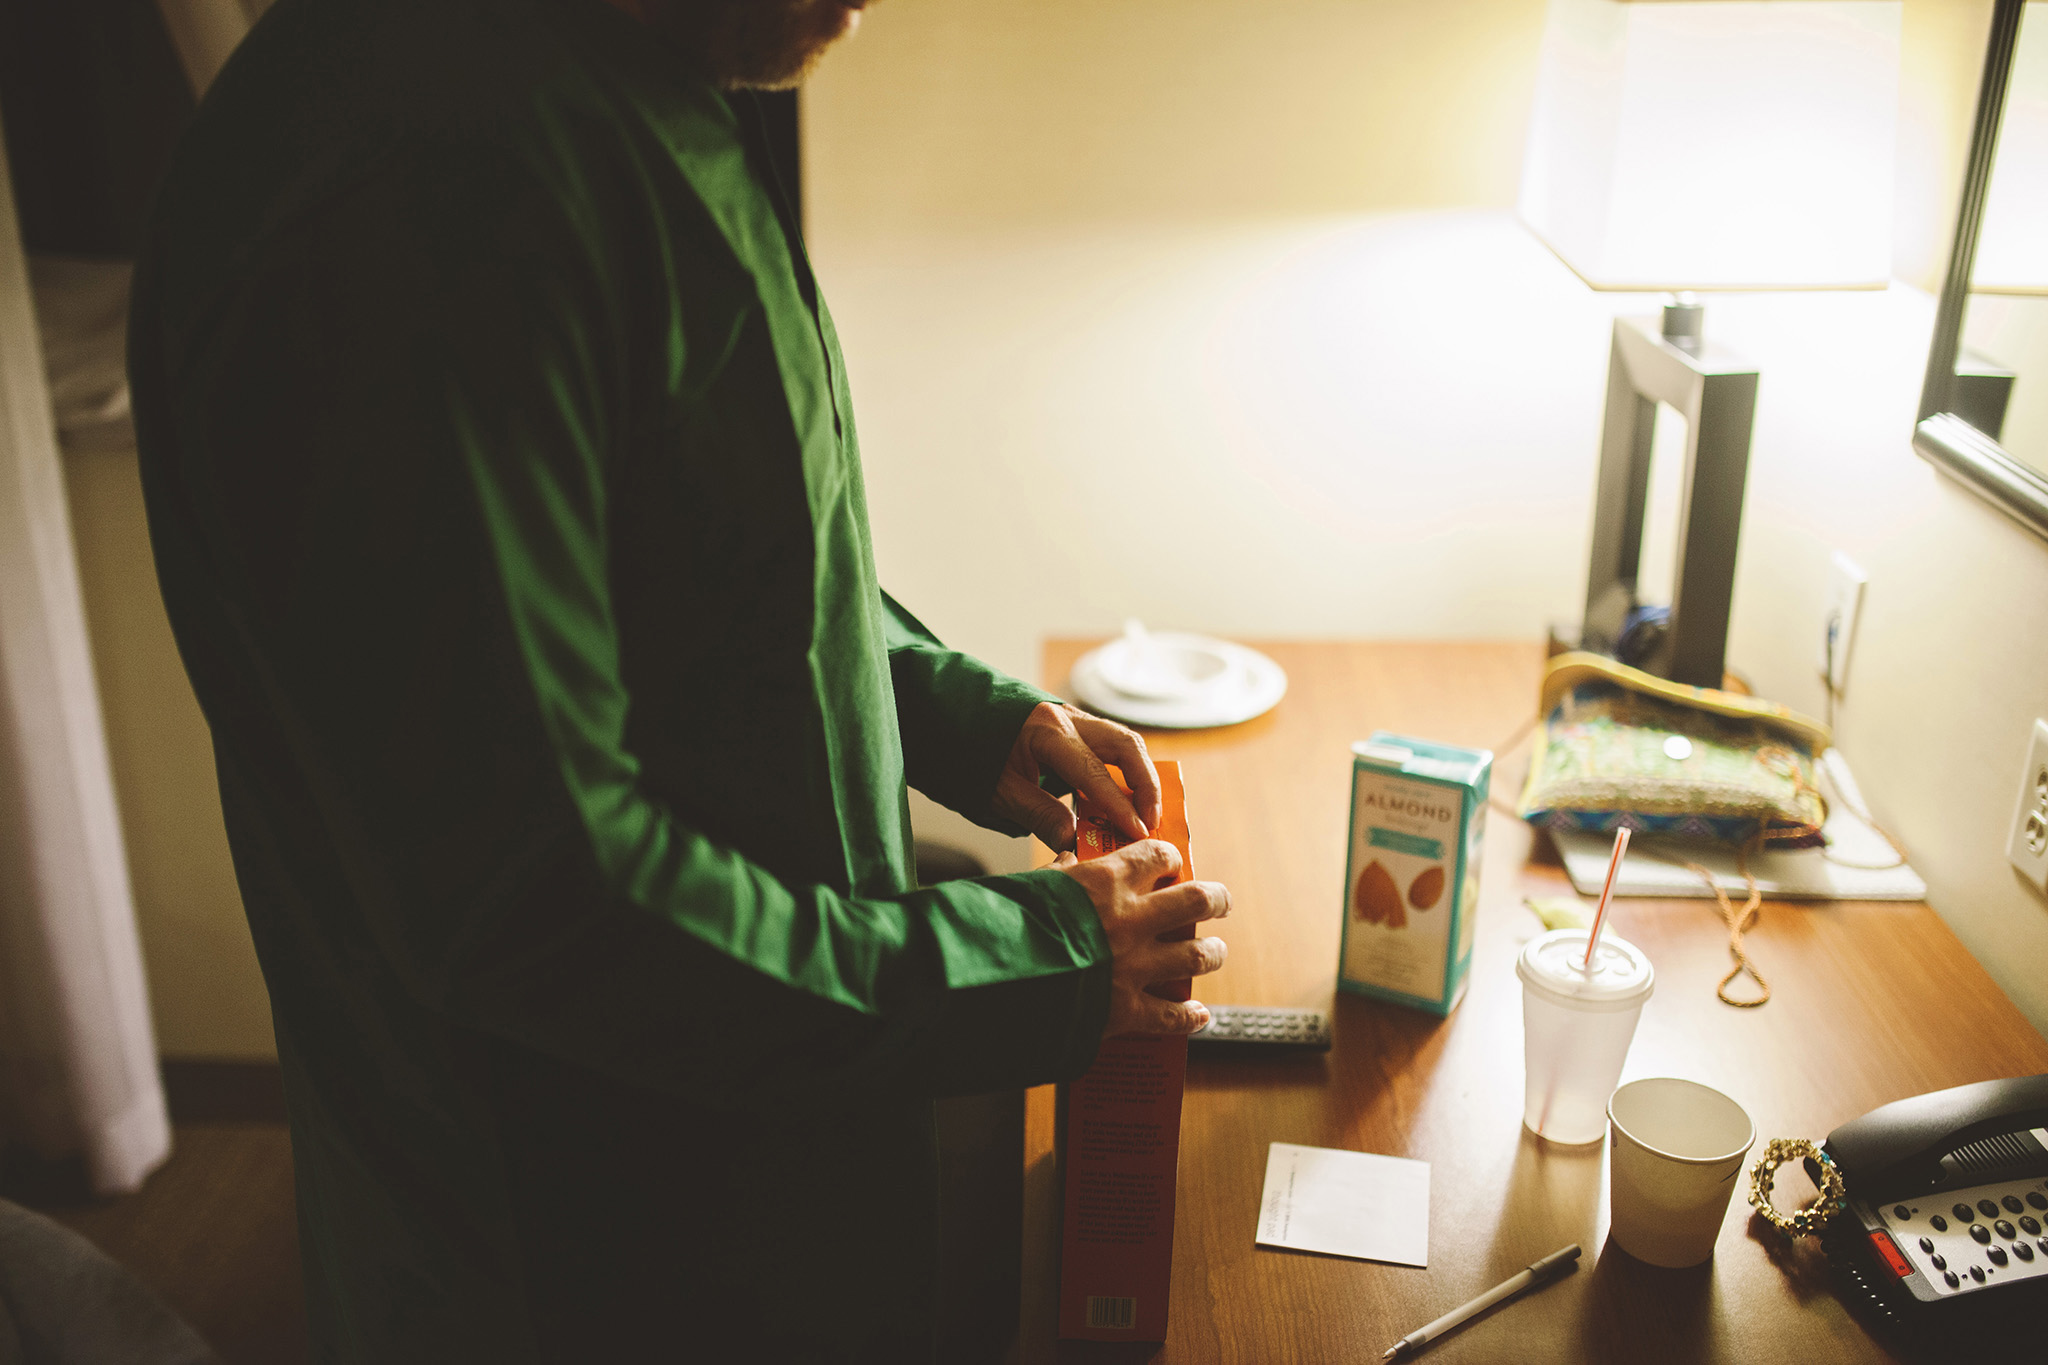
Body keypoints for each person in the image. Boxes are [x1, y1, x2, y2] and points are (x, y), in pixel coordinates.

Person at [126, 0, 1231, 1360]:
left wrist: (957, 715)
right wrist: (1030, 958)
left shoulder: (632, 72)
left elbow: (697, 559)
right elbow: (540, 894)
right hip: (601, 1252)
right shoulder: (427, 190)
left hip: (770, 1150)